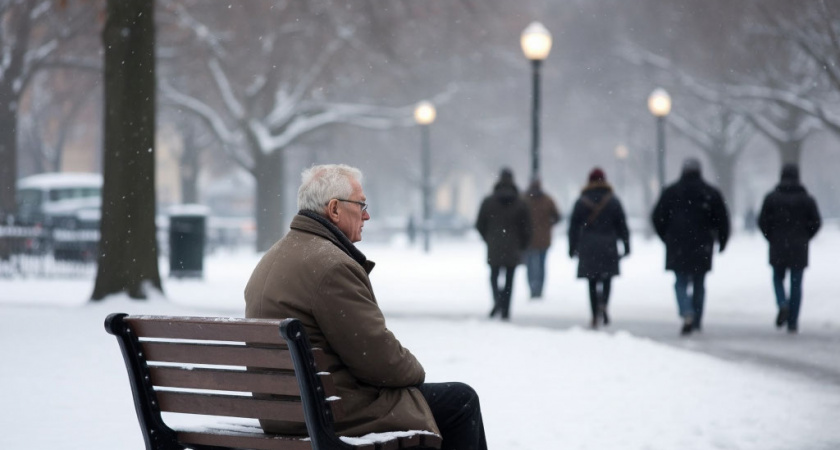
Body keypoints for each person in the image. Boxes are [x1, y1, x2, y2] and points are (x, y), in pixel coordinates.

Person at [245, 164, 487, 450]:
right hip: (326, 413)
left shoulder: (275, 256)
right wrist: (415, 372)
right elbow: (379, 361)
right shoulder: (330, 265)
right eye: (361, 205)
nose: (367, 215)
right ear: (334, 209)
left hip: (281, 412)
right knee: (461, 400)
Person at [652, 157, 730, 336]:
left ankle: (686, 311)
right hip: (702, 244)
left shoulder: (671, 192)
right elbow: (722, 219)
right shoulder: (710, 192)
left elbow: (657, 217)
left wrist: (666, 236)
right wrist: (722, 240)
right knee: (699, 283)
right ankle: (696, 319)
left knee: (680, 282)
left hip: (677, 244)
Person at [758, 163, 821, 333]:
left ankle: (782, 303)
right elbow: (816, 222)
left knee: (778, 278)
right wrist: (805, 237)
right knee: (796, 283)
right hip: (799, 247)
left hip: (778, 245)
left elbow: (762, 221)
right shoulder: (806, 199)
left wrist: (771, 236)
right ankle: (792, 321)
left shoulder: (771, 198)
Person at [568, 168, 630, 328]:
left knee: (592, 281)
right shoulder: (613, 200)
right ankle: (604, 305)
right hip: (608, 244)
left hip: (588, 245)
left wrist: (572, 247)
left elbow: (573, 226)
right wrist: (627, 245)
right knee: (607, 278)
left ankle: (594, 313)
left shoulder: (581, 201)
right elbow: (622, 225)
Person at [475, 167, 532, 320]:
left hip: (494, 245)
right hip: (513, 247)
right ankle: (505, 309)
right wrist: (522, 244)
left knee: (493, 276)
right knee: (509, 279)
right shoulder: (520, 203)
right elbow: (527, 227)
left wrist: (488, 238)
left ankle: (497, 301)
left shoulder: (488, 202)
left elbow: (479, 224)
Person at [522, 178, 562, 299]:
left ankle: (533, 288)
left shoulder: (524, 199)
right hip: (543, 239)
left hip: (528, 238)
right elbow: (557, 216)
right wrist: (548, 224)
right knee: (541, 265)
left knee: (530, 265)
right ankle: (539, 289)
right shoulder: (547, 200)